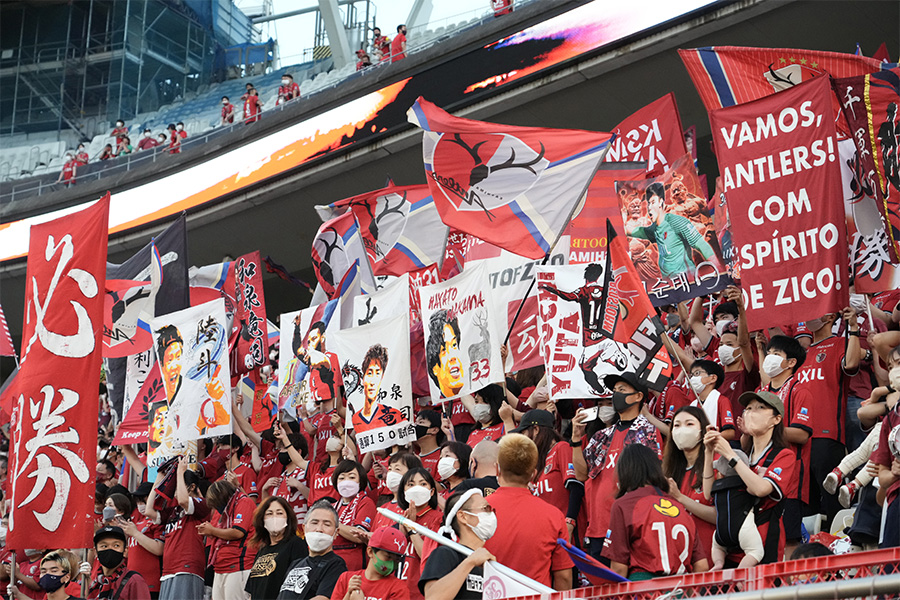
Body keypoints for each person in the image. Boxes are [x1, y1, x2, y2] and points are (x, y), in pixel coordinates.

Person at [573, 372, 663, 560]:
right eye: (614, 391)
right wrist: (575, 440)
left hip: (630, 525)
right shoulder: (601, 435)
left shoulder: (648, 431)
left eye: (622, 390)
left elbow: (652, 480)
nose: (616, 395)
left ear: (638, 396)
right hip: (598, 525)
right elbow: (582, 475)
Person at [703, 391, 798, 564]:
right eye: (748, 408)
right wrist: (709, 452)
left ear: (776, 419)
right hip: (731, 544)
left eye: (760, 408)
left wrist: (730, 454)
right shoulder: (742, 455)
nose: (751, 413)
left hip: (763, 544)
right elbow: (708, 493)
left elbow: (761, 489)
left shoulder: (784, 455)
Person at [793, 308, 863, 532]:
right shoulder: (801, 354)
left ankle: (841, 549)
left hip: (827, 435)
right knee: (807, 506)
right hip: (799, 438)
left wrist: (853, 329)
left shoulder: (838, 344)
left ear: (831, 317)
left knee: (833, 501)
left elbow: (851, 364)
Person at [602, 445, 709, 579]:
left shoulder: (624, 505)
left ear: (624, 471)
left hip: (642, 590)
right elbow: (702, 566)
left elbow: (619, 569)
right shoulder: (680, 507)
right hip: (680, 591)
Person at [485, 434, 573, 590]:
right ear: (533, 474)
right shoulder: (553, 516)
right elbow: (564, 577)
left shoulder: (479, 510)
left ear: (497, 469)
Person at [146, 457, 210, 600]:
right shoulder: (173, 511)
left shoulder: (202, 503)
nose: (175, 491)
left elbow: (183, 500)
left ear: (192, 487)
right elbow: (149, 511)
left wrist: (180, 472)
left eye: (178, 486)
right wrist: (158, 481)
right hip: (168, 570)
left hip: (187, 568)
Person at [512, 409, 582, 538]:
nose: (523, 440)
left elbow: (576, 486)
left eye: (523, 433)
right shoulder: (537, 462)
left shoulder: (561, 448)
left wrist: (570, 522)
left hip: (564, 531)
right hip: (544, 531)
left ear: (536, 429)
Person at [625, 182, 716, 278]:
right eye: (648, 204)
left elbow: (701, 244)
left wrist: (719, 270)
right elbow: (632, 231)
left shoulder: (676, 221)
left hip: (688, 282)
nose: (649, 208)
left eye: (652, 202)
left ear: (661, 202)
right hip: (670, 286)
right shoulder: (653, 230)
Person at [419, 489, 496, 600]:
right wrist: (470, 562)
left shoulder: (488, 563)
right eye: (486, 509)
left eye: (492, 510)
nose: (491, 514)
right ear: (463, 516)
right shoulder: (445, 553)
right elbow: (433, 597)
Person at [663, 406, 716, 563]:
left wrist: (680, 497)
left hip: (711, 561)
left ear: (703, 430)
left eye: (689, 424)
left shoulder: (716, 463)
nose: (682, 430)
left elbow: (720, 516)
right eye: (677, 425)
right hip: (678, 562)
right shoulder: (668, 470)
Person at [277, 500, 347, 599]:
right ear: (304, 528)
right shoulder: (295, 564)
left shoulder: (336, 564)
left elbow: (323, 598)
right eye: (314, 523)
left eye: (327, 524)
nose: (319, 529)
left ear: (336, 533)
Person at [202, 480, 258, 599]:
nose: (217, 508)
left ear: (224, 496)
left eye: (217, 504)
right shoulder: (224, 510)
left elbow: (238, 532)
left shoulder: (244, 502)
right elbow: (221, 533)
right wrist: (211, 532)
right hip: (220, 565)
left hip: (239, 565)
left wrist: (212, 531)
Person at [245, 496, 308, 600]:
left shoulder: (296, 544)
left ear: (288, 517)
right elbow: (252, 589)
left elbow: (299, 585)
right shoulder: (262, 550)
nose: (274, 517)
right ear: (262, 519)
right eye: (269, 514)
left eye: (279, 513)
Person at [395, 468, 443, 600]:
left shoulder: (438, 518)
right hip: (398, 590)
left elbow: (427, 556)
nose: (417, 488)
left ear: (432, 491)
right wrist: (401, 532)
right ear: (403, 491)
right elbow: (393, 556)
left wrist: (411, 529)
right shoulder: (399, 517)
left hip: (420, 592)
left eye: (423, 484)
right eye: (411, 484)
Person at [330, 527, 409, 600]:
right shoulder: (346, 578)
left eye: (396, 560)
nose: (391, 563)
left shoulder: (399, 588)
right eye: (388, 557)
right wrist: (348, 595)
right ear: (370, 552)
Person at [118, 482, 164, 596]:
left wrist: (135, 533)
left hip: (150, 584)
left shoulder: (157, 521)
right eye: (138, 501)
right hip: (132, 582)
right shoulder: (137, 523)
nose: (140, 505)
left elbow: (159, 549)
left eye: (143, 500)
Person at [332, 460, 376, 571]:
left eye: (352, 477)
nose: (346, 482)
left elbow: (359, 535)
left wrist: (331, 522)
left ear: (360, 481)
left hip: (354, 566)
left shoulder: (365, 502)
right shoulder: (332, 507)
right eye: (341, 478)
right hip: (331, 563)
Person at [86, 526, 151, 599]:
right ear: (95, 552)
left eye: (116, 545)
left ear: (125, 551)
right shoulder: (95, 583)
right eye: (104, 546)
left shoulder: (134, 581)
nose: (110, 549)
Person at [352, 344, 405, 433]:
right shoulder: (355, 419)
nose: (372, 382)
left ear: (382, 378)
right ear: (363, 378)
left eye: (377, 373)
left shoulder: (395, 415)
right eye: (369, 373)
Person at [688, 360, 736, 439]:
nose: (693, 378)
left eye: (697, 373)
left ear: (713, 378)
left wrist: (710, 437)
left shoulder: (721, 400)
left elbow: (730, 432)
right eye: (691, 375)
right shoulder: (693, 404)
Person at [7, 550, 80, 600]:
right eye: (43, 571)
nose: (47, 574)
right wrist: (18, 594)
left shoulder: (74, 588)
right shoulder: (50, 592)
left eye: (54, 570)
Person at [426, 310, 465, 399]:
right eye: (444, 350)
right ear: (434, 367)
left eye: (454, 345)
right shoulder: (439, 406)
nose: (453, 357)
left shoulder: (478, 397)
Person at [414, 410, 445, 479]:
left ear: (434, 430)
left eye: (421, 422)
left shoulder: (443, 455)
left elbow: (443, 488)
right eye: (415, 422)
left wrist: (419, 469)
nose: (415, 426)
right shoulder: (414, 457)